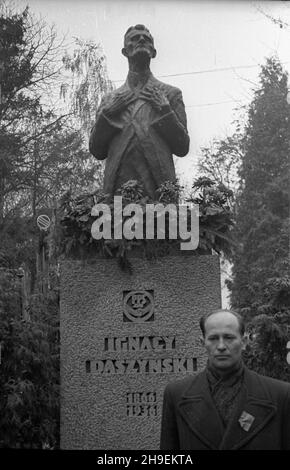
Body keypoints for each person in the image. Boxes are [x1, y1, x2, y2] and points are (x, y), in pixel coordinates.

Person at [160, 309, 290, 450]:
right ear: (202, 342)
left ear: (244, 341)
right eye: (213, 338)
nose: (221, 346)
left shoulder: (281, 395)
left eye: (229, 337)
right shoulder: (176, 394)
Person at [89, 24, 189, 199]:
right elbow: (96, 150)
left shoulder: (170, 94)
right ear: (124, 51)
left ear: (154, 52)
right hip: (117, 194)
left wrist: (165, 110)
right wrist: (108, 114)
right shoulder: (109, 100)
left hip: (159, 192)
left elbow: (182, 147)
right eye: (135, 38)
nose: (142, 40)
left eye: (147, 39)